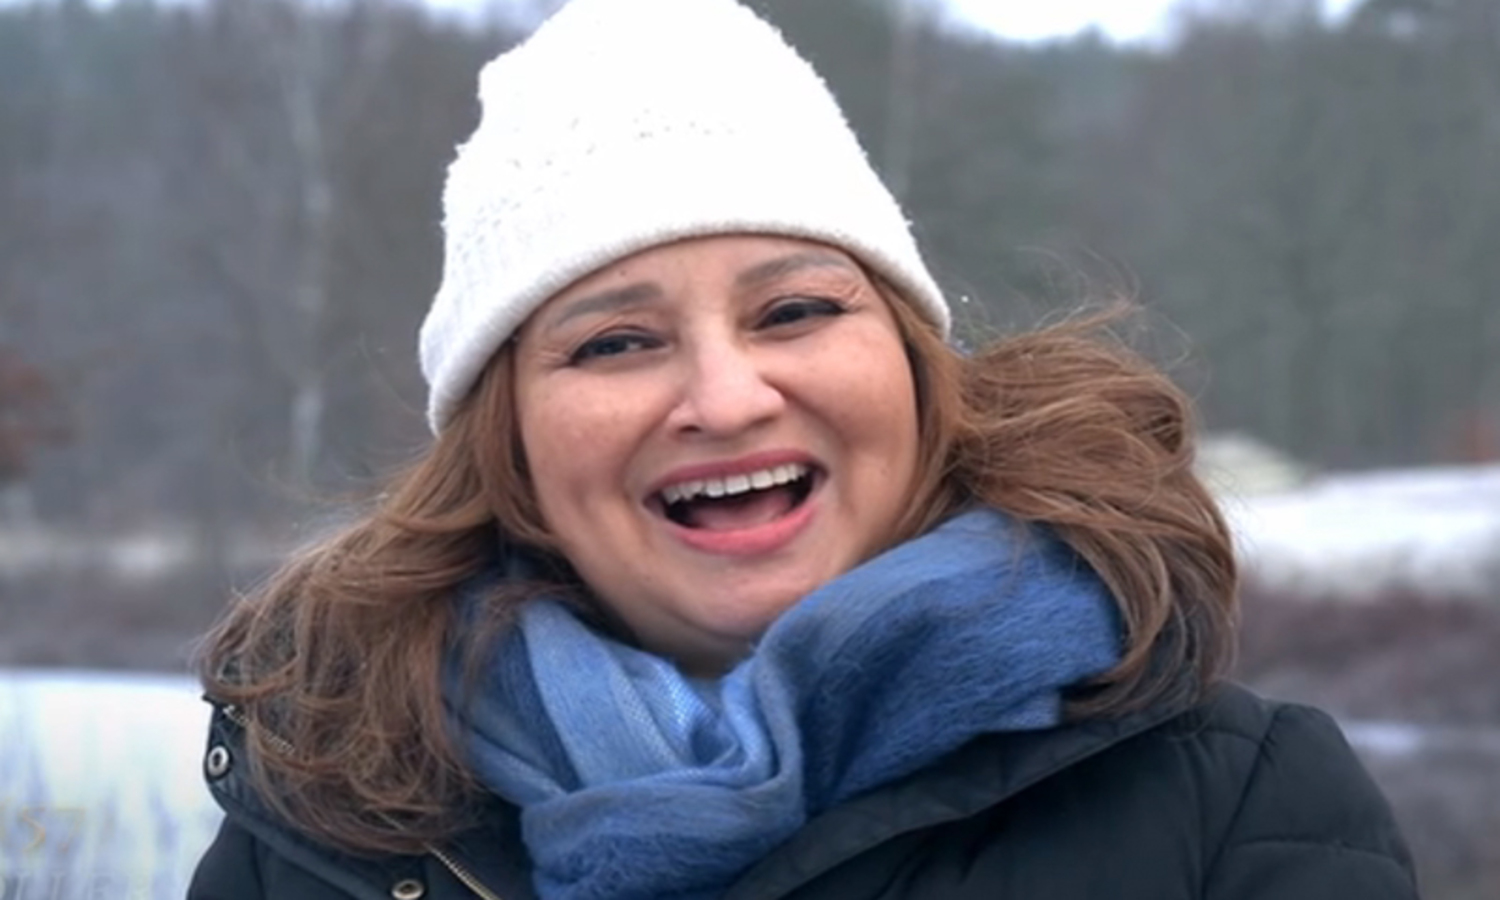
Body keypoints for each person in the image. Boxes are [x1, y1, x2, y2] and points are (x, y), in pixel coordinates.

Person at [187, 1, 1419, 898]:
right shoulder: (319, 846)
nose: (726, 399)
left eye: (793, 311)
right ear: (504, 444)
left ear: (918, 373)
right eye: (616, 343)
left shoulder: (1239, 808)